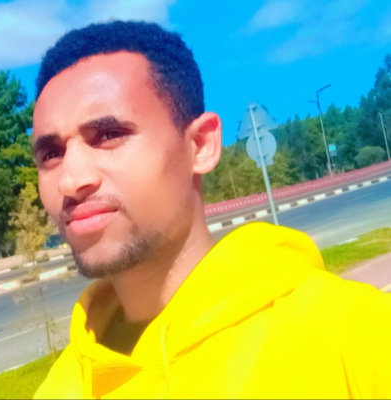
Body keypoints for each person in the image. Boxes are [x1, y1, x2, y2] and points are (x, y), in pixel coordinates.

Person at [31, 21, 391, 399]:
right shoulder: (59, 389)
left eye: (108, 135)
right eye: (51, 154)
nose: (70, 180)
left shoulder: (352, 339)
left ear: (200, 146)